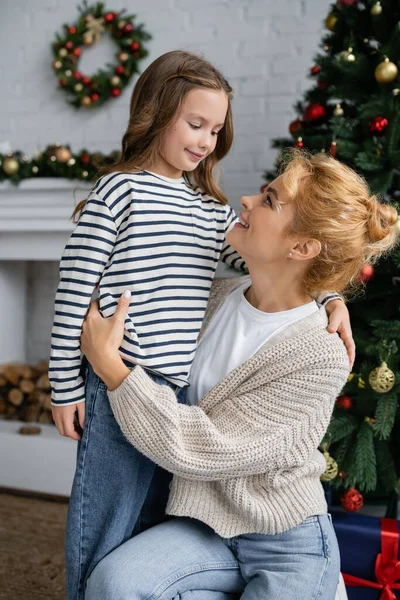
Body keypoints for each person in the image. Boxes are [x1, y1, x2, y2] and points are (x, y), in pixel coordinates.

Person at [49, 50, 349, 598]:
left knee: (151, 518)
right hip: (119, 378)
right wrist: (66, 385)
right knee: (102, 527)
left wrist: (329, 294)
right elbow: (73, 292)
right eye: (195, 124)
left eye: (216, 129)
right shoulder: (119, 192)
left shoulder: (206, 211)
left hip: (177, 398)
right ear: (156, 114)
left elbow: (284, 266)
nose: (208, 141)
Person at [80, 150, 398, 600]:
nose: (246, 200)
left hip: (286, 543)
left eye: (269, 200)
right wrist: (329, 293)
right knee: (115, 584)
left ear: (303, 247)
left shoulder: (321, 354)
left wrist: (111, 367)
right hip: (206, 525)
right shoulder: (213, 298)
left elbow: (203, 445)